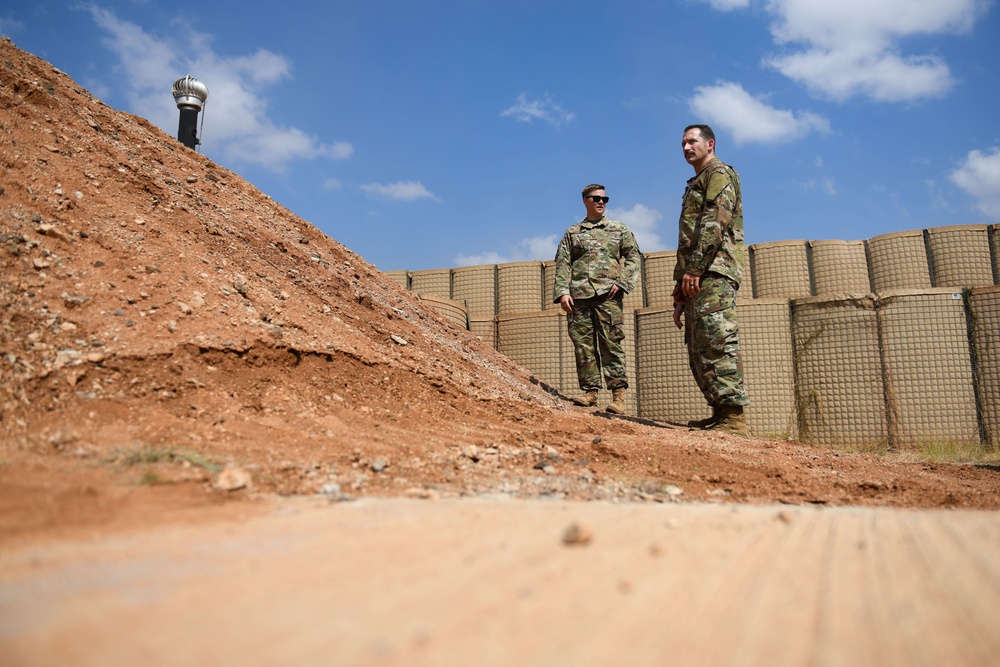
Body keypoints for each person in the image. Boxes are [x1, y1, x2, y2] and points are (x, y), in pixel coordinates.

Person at [671, 124, 750, 437]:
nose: (687, 147)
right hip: (697, 273)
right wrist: (680, 292)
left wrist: (696, 269)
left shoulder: (719, 173)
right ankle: (720, 412)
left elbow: (715, 224)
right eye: (683, 143)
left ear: (710, 143)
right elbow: (687, 238)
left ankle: (734, 418)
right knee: (701, 343)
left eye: (692, 141)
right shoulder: (697, 181)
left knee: (717, 339)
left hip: (713, 270)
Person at [553, 184, 641, 414]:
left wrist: (623, 282)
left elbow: (633, 257)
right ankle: (590, 393)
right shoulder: (573, 233)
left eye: (605, 198)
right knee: (583, 345)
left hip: (607, 296)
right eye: (596, 198)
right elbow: (563, 264)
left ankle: (618, 397)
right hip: (579, 297)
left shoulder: (618, 229)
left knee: (611, 343)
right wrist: (563, 292)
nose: (601, 202)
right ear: (585, 201)